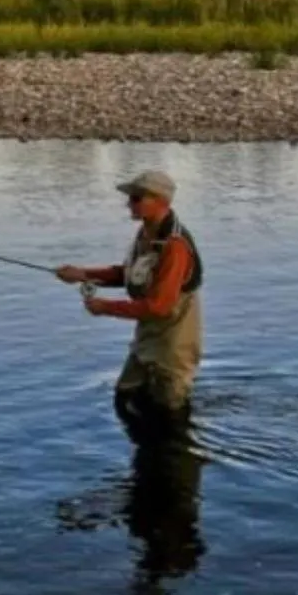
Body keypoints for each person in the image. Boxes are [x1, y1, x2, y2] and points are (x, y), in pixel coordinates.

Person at [56, 169, 204, 440]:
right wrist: (83, 273)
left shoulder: (175, 246)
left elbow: (160, 306)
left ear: (159, 201)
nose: (129, 204)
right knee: (125, 395)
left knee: (171, 410)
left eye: (136, 198)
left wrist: (106, 308)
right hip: (148, 329)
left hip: (174, 335)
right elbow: (128, 274)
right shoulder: (147, 233)